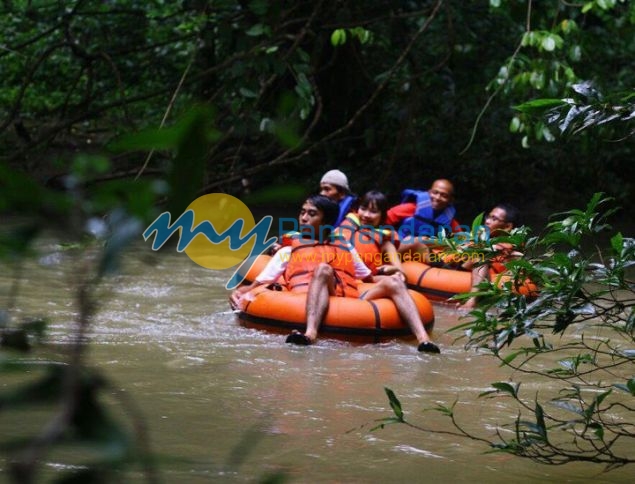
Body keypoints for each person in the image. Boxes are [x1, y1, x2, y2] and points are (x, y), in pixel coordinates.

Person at [229, 194, 440, 353]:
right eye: (302, 212)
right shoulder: (288, 250)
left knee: (393, 282)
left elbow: (366, 278)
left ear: (326, 221)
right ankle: (310, 333)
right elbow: (260, 282)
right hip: (309, 296)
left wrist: (393, 274)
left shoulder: (344, 245)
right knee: (323, 268)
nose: (303, 218)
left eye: (311, 214)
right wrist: (241, 292)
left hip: (349, 296)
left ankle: (423, 340)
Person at [461, 203, 522, 309]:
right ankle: (472, 302)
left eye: (494, 219)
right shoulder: (479, 235)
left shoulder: (511, 246)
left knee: (517, 256)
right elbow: (464, 262)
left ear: (507, 226)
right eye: (488, 217)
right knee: (482, 254)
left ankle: (473, 301)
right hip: (464, 270)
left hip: (495, 278)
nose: (487, 221)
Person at [385, 179, 461, 263]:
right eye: (435, 192)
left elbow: (461, 241)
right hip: (399, 248)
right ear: (429, 193)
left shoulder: (449, 221)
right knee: (414, 240)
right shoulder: (410, 208)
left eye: (444, 195)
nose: (438, 198)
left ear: (450, 200)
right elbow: (382, 221)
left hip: (420, 257)